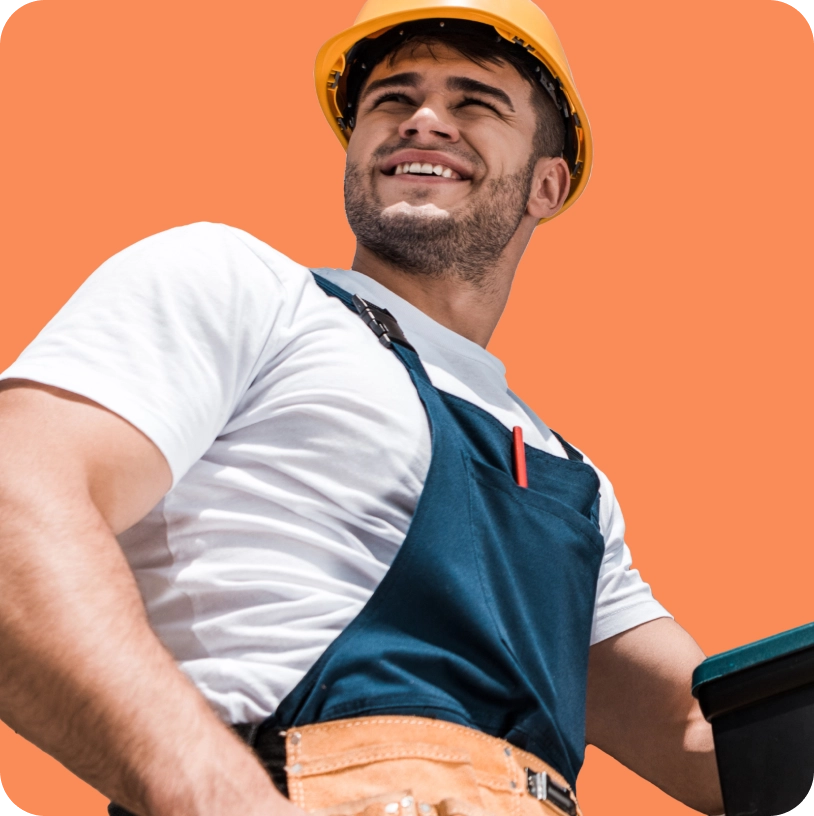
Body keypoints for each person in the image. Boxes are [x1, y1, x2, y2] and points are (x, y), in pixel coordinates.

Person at [0, 0, 724, 814]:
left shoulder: (571, 481)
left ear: (547, 184)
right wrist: (217, 796)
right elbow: (16, 503)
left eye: (473, 103)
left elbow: (699, 730)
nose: (423, 121)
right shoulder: (246, 292)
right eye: (391, 99)